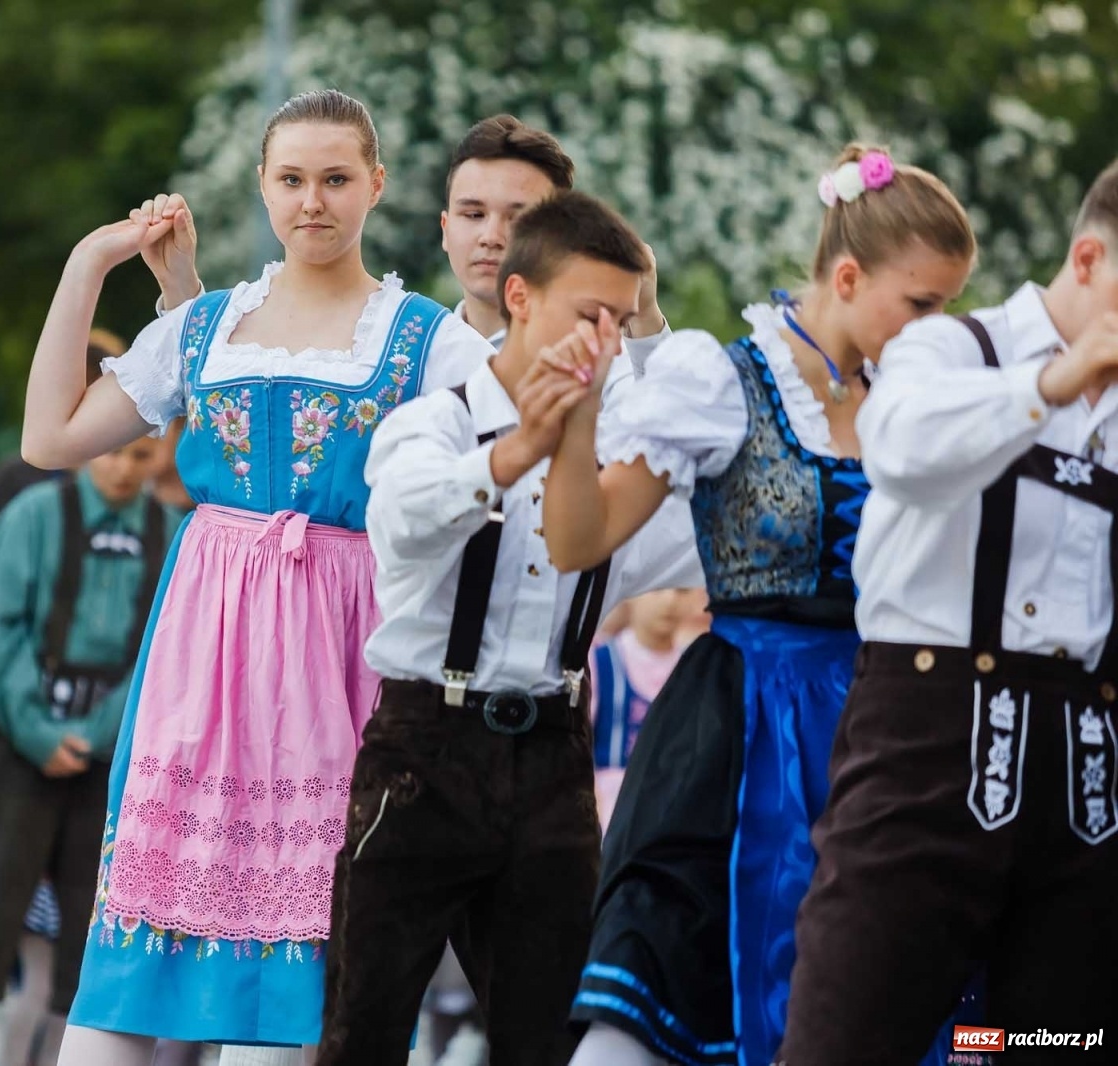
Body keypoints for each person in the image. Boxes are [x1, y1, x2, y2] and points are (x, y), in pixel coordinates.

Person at [21, 89, 492, 1063]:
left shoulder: (424, 336)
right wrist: (87, 263)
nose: (311, 200)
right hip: (202, 658)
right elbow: (50, 436)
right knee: (123, 985)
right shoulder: (204, 329)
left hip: (334, 664)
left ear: (375, 184)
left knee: (289, 1001)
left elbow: (496, 479)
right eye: (290, 179)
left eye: (333, 178)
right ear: (262, 187)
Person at [543, 146, 977, 1066]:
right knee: (658, 985)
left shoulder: (919, 401)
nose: (940, 328)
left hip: (886, 728)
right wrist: (579, 416)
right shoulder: (721, 379)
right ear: (850, 276)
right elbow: (579, 542)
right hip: (739, 729)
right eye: (924, 305)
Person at [316, 190, 702, 1065]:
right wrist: (512, 453)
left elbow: (710, 543)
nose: (603, 340)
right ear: (520, 298)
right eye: (588, 314)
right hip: (423, 754)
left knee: (550, 1040)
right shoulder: (436, 420)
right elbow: (406, 520)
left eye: (619, 318)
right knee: (362, 1031)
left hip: (553, 760)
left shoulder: (617, 465)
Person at [778, 157, 1118, 1064]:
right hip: (926, 743)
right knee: (845, 1037)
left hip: (1087, 777)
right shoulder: (947, 347)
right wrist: (1051, 385)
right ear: (1088, 260)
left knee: (1042, 1047)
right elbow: (900, 446)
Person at [0, 435, 180, 1066]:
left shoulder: (174, 533)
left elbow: (169, 643)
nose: (122, 468)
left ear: (158, 459)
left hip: (116, 752)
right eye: (112, 453)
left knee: (96, 924)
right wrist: (36, 729)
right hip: (17, 736)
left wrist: (100, 733)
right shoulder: (32, 516)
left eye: (139, 457)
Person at [590, 588, 705, 828]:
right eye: (658, 589)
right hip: (608, 819)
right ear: (631, 592)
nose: (670, 600)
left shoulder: (696, 672)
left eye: (682, 591)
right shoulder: (601, 662)